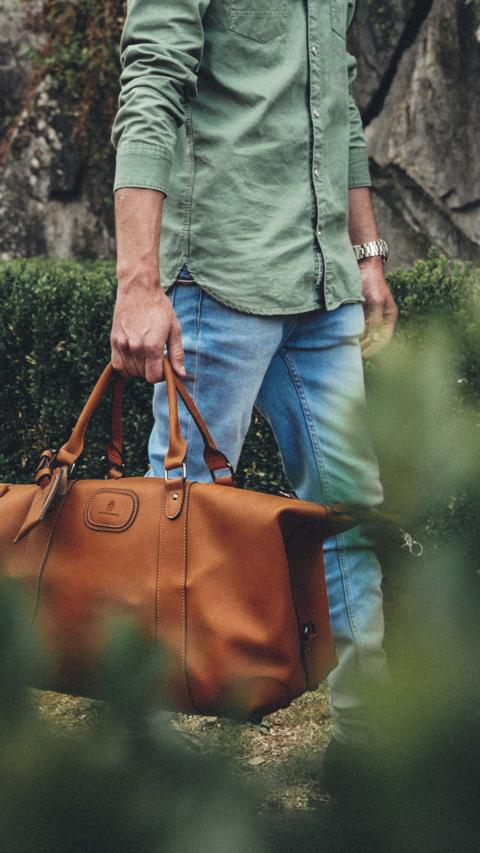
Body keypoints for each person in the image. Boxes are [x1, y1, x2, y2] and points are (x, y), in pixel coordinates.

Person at [109, 0, 398, 787]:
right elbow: (151, 85)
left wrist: (366, 255)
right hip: (219, 277)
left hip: (323, 288)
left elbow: (337, 108)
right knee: (179, 522)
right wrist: (138, 284)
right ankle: (149, 754)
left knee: (351, 510)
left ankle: (365, 746)